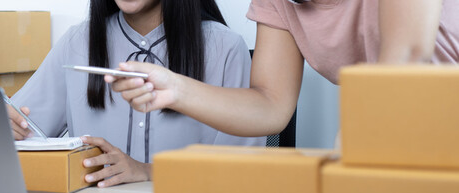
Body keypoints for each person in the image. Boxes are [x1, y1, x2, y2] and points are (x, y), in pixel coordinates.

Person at [107, 0, 458, 140]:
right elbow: (270, 104)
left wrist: (355, 141)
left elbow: (406, 55)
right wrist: (176, 89)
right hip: (412, 144)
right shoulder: (278, 2)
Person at [8, 0, 266, 188]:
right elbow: (23, 129)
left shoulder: (225, 47)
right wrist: (7, 127)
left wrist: (147, 171)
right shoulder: (77, 41)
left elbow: (241, 170)